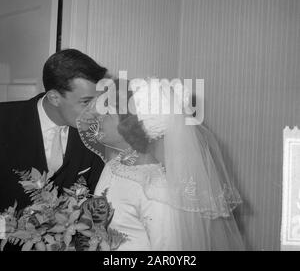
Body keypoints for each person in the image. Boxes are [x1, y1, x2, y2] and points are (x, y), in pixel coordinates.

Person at [77, 78, 245, 250]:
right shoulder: (113, 166)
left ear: (132, 127)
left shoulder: (156, 189)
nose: (98, 119)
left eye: (108, 115)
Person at [0, 49, 107, 213]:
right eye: (86, 102)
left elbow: (93, 201)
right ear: (54, 98)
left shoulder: (97, 135)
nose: (97, 111)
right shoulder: (5, 121)